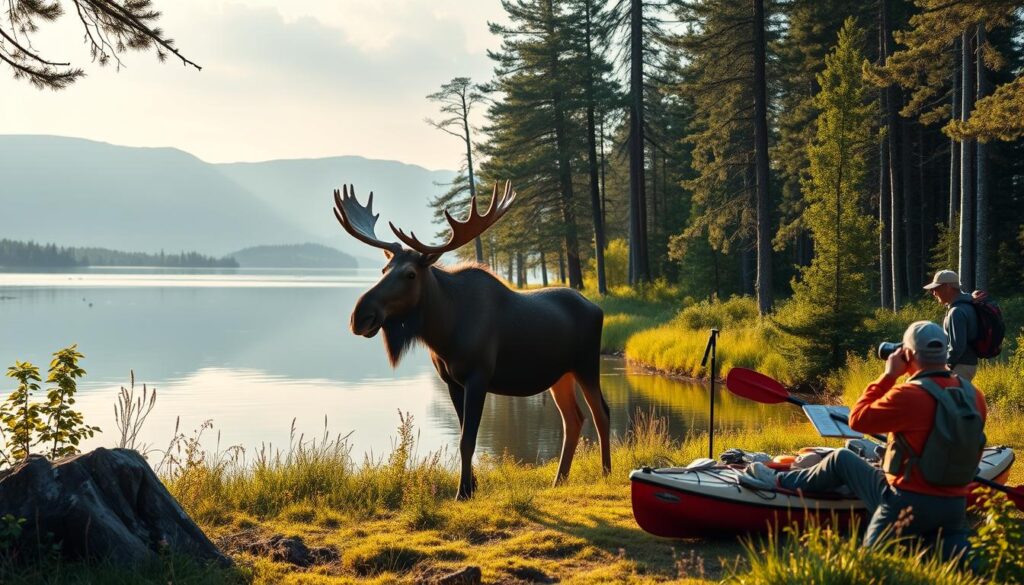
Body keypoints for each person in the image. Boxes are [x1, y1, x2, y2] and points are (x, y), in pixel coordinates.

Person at [740, 321, 987, 557]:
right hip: (954, 504)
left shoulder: (908, 394)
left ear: (908, 355)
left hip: (907, 502)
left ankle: (778, 480)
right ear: (945, 353)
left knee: (841, 459)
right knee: (962, 561)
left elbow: (856, 419)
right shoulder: (973, 395)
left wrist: (889, 376)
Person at [922, 270, 979, 381]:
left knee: (946, 396)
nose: (934, 293)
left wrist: (944, 366)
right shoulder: (967, 305)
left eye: (936, 288)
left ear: (947, 286)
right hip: (966, 364)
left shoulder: (956, 311)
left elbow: (957, 347)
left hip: (960, 366)